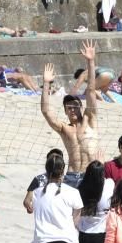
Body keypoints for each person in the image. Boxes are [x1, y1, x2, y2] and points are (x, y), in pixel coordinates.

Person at [41, 41, 100, 180]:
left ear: (81, 107)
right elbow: (45, 111)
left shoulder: (90, 119)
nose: (72, 109)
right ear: (65, 111)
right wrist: (46, 84)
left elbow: (91, 90)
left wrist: (90, 62)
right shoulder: (64, 129)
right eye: (69, 108)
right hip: (72, 175)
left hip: (92, 174)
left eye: (74, 106)